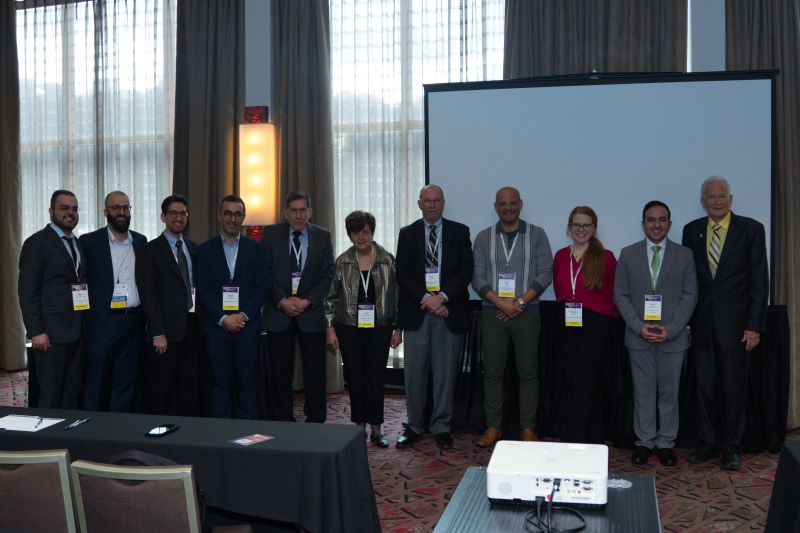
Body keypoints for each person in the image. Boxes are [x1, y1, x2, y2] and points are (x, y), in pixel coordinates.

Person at [682, 176, 768, 471]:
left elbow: (759, 280)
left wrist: (754, 326)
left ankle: (732, 447)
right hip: (702, 326)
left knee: (734, 391)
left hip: (737, 328)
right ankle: (708, 442)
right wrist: (688, 325)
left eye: (721, 196)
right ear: (702, 201)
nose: (716, 201)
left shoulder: (751, 229)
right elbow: (689, 282)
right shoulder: (691, 230)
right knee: (704, 390)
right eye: (711, 196)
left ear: (730, 199)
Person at [614, 201, 697, 467]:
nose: (657, 225)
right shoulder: (628, 254)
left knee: (669, 394)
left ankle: (665, 443)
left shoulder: (685, 255)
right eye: (651, 220)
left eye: (662, 220)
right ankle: (645, 442)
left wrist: (671, 330)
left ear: (669, 224)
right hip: (638, 336)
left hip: (672, 338)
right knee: (643, 392)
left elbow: (690, 296)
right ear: (643, 224)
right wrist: (638, 326)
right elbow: (620, 295)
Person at [472, 186, 553, 448]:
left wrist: (519, 302)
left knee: (528, 373)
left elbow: (545, 273)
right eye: (502, 203)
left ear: (521, 204)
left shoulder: (537, 234)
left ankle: (527, 428)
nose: (508, 208)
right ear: (496, 206)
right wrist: (501, 303)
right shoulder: (483, 237)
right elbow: (477, 277)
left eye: (512, 203)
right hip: (492, 313)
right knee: (493, 372)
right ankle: (493, 426)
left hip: (527, 313)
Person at [395, 184, 473, 450]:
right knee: (414, 374)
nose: (431, 205)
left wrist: (443, 297)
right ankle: (414, 425)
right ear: (419, 204)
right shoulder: (407, 234)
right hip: (417, 311)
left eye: (436, 200)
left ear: (443, 203)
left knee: (445, 374)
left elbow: (466, 270)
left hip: (449, 312)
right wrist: (428, 299)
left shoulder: (460, 232)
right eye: (427, 201)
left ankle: (441, 426)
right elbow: (402, 274)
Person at [325, 211, 403, 447]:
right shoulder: (343, 262)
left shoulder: (387, 260)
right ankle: (359, 425)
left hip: (380, 327)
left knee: (376, 378)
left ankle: (377, 428)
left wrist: (398, 329)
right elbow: (330, 298)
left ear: (372, 233)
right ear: (350, 235)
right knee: (355, 377)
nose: (360, 237)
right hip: (348, 327)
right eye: (355, 233)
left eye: (365, 232)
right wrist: (330, 328)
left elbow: (398, 297)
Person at [262, 191, 334, 423]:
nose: (298, 215)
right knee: (280, 372)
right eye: (294, 210)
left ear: (310, 212)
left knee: (315, 371)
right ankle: (282, 420)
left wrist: (307, 301)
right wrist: (282, 301)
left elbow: (327, 276)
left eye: (303, 210)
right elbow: (264, 273)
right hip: (278, 313)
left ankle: (315, 420)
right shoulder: (270, 234)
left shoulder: (323, 236)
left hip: (310, 313)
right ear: (285, 213)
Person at [196, 195, 270, 419]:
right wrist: (223, 318)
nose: (232, 219)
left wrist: (243, 315)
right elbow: (203, 289)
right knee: (220, 383)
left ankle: (248, 430)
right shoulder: (205, 250)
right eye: (228, 213)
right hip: (217, 328)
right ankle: (222, 431)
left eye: (238, 214)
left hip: (247, 327)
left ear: (243, 218)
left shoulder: (257, 249)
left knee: (248, 383)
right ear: (219, 215)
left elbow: (263, 287)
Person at [552, 206, 619, 444]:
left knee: (584, 379)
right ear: (569, 227)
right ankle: (590, 435)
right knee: (571, 377)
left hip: (595, 325)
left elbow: (613, 293)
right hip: (567, 321)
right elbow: (559, 288)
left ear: (594, 228)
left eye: (586, 225)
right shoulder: (561, 256)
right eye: (576, 225)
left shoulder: (606, 257)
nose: (581, 230)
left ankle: (575, 437)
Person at [18, 190, 87, 409]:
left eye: (74, 209)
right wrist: (36, 331)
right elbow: (27, 291)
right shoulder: (37, 243)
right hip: (50, 335)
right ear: (51, 211)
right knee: (50, 395)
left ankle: (69, 430)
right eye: (64, 208)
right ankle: (47, 432)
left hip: (77, 331)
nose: (70, 213)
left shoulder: (76, 242)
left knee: (71, 393)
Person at [80, 191, 147, 412]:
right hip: (103, 322)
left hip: (133, 321)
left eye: (126, 207)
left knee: (125, 382)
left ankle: (119, 425)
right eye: (116, 208)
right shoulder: (89, 242)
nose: (121, 212)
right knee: (97, 380)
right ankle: (91, 425)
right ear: (105, 212)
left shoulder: (140, 241)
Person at [135, 194, 202, 416]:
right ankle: (158, 429)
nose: (179, 218)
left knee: (190, 385)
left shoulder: (194, 249)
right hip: (164, 332)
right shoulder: (148, 251)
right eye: (173, 213)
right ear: (163, 217)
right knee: (161, 388)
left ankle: (188, 429)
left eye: (183, 213)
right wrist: (157, 333)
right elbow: (148, 294)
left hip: (192, 327)